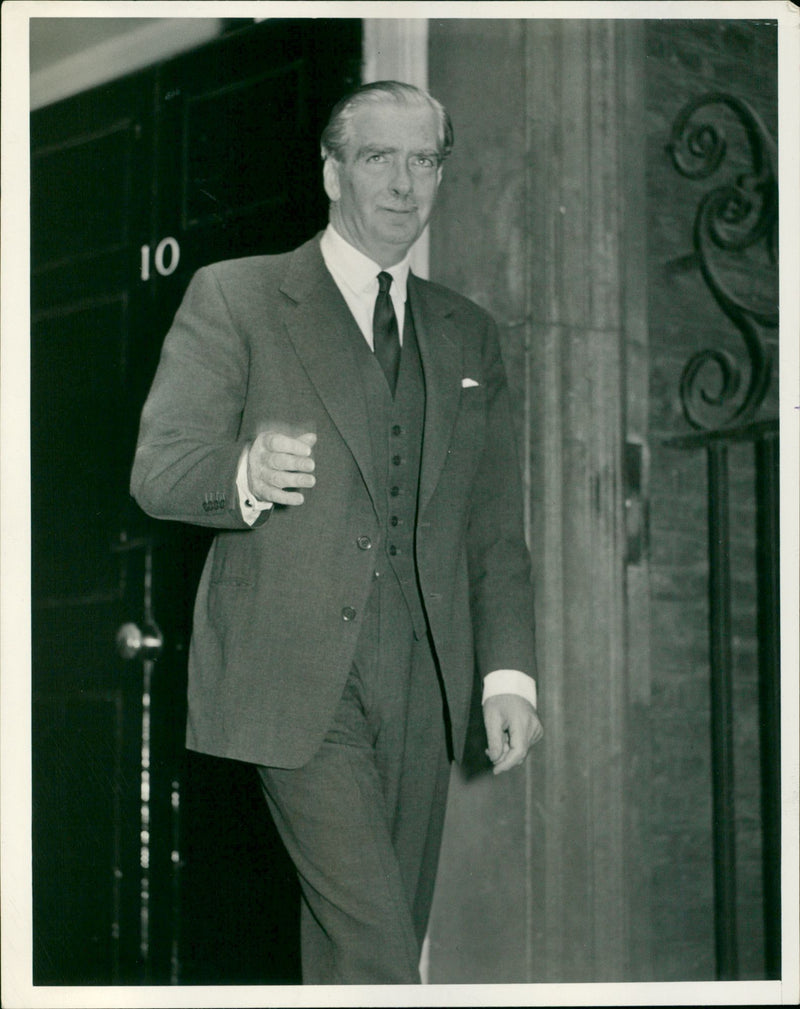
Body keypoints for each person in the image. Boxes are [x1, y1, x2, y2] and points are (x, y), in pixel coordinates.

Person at [131, 80, 543, 985]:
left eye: (424, 160)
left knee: (373, 939)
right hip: (293, 675)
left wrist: (508, 672)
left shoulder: (467, 333)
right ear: (330, 171)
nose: (404, 184)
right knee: (379, 951)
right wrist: (243, 472)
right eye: (377, 158)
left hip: (427, 677)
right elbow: (159, 469)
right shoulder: (237, 296)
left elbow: (492, 526)